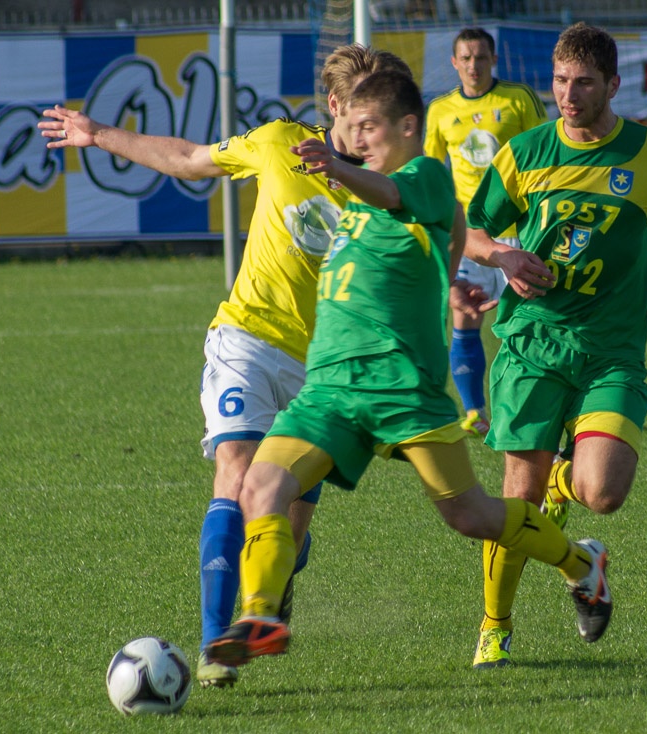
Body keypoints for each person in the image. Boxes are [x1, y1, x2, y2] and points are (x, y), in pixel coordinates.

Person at [201, 69, 612, 670]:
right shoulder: (358, 201)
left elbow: (402, 199)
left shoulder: (421, 178)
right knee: (259, 488)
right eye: (355, 127)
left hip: (402, 390)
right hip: (331, 390)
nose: (360, 139)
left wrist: (339, 168)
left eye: (371, 128)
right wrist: (439, 287)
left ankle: (582, 563)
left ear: (408, 128)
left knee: (470, 515)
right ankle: (260, 615)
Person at [38, 44, 413, 688]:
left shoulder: (388, 182)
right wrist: (97, 133)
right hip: (246, 339)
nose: (361, 129)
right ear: (333, 107)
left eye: (372, 118)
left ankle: (278, 575)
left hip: (321, 371)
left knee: (287, 532)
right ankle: (216, 643)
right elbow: (188, 159)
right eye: (352, 114)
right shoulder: (276, 144)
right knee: (234, 474)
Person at [464, 22, 647, 667]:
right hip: (531, 342)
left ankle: (567, 505)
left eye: (583, 84)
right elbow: (470, 230)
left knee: (603, 493)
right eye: (559, 82)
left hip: (611, 349)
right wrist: (503, 258)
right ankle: (495, 627)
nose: (568, 96)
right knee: (514, 499)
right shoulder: (524, 153)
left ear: (612, 86)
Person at [424, 27, 547, 438]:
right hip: (470, 234)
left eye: (481, 57)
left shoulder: (518, 99)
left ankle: (536, 403)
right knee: (465, 312)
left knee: (530, 318)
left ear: (493, 60)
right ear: (454, 63)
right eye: (466, 58)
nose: (473, 65)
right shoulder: (440, 110)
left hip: (518, 229)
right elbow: (428, 170)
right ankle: (475, 411)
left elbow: (544, 151)